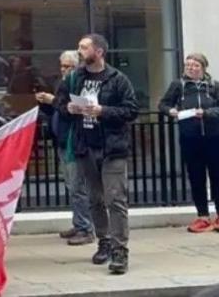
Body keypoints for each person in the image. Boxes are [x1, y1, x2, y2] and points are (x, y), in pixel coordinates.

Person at [54, 34, 138, 275]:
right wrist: (68, 108)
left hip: (112, 148)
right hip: (85, 146)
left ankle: (120, 250)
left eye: (84, 47)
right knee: (95, 200)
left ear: (99, 51)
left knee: (115, 199)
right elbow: (60, 102)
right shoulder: (74, 78)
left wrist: (103, 110)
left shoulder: (117, 79)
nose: (79, 51)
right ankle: (104, 241)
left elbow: (131, 110)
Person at [35, 51, 95, 246]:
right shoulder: (63, 84)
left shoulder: (79, 84)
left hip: (73, 141)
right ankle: (79, 224)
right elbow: (58, 110)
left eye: (69, 66)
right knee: (71, 184)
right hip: (62, 139)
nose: (65, 70)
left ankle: (85, 227)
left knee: (78, 185)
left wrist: (53, 100)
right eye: (62, 66)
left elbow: (72, 110)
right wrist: (46, 104)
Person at [158, 53, 219, 233]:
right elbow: (163, 104)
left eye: (195, 65)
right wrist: (172, 111)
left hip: (214, 137)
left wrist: (206, 113)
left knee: (217, 176)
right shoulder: (179, 85)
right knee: (196, 177)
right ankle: (202, 216)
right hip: (190, 138)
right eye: (188, 65)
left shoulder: (213, 86)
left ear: (203, 68)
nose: (191, 68)